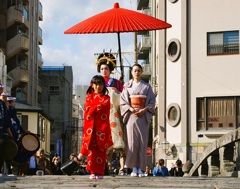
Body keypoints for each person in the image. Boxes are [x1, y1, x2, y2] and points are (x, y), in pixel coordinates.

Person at [120, 64, 156, 177]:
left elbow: (152, 101)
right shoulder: (127, 86)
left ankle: (141, 168)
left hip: (143, 116)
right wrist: (131, 108)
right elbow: (123, 102)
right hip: (131, 116)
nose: (136, 72)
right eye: (135, 70)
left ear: (142, 72)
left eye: (139, 70)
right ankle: (133, 168)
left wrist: (144, 110)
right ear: (131, 72)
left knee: (142, 142)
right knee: (132, 142)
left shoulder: (147, 86)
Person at [77, 75, 113, 179]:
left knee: (101, 150)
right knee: (92, 151)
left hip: (102, 128)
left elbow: (103, 109)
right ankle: (92, 172)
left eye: (100, 84)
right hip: (91, 128)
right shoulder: (88, 97)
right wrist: (96, 107)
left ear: (103, 85)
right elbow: (88, 110)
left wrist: (94, 107)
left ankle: (100, 172)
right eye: (96, 84)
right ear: (92, 85)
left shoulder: (106, 98)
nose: (98, 86)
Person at [96, 52, 126, 175]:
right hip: (101, 115)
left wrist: (120, 85)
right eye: (102, 68)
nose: (104, 71)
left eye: (106, 68)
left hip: (115, 115)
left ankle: (122, 166)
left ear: (110, 70)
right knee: (103, 142)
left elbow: (124, 97)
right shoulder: (96, 82)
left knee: (118, 141)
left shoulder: (117, 83)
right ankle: (105, 165)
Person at [0, 86, 13, 175]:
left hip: (1, 131)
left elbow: (6, 118)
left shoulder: (2, 104)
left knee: (1, 151)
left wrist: (8, 129)